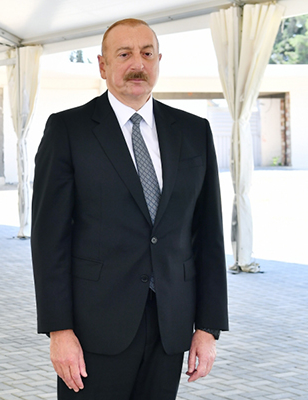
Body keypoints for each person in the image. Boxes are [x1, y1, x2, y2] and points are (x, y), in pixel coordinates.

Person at [31, 18, 228, 400]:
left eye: (147, 53)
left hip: (170, 326)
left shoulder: (194, 131)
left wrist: (208, 327)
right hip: (94, 329)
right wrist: (59, 330)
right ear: (103, 65)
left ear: (158, 61)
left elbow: (209, 235)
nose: (138, 64)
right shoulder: (68, 130)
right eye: (124, 54)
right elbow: (49, 239)